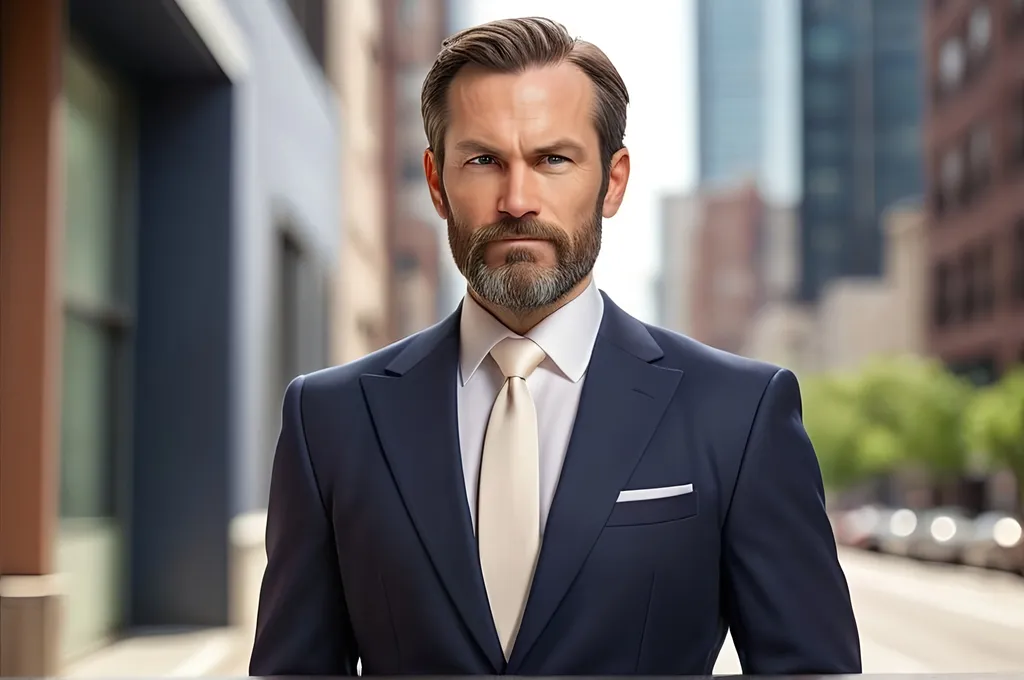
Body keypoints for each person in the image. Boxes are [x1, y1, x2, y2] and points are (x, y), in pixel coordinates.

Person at [249, 16, 861, 677]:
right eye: (484, 161)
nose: (518, 200)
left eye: (553, 160)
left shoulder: (738, 414)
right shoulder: (330, 420)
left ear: (613, 181)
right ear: (435, 182)